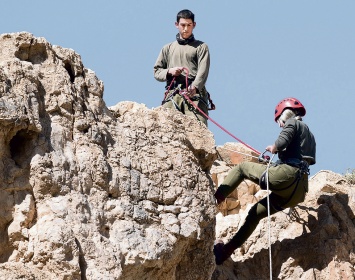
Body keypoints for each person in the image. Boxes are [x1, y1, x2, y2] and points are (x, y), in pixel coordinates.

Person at [213, 97, 316, 265]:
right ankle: (225, 252)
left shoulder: (293, 124)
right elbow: (299, 158)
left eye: (280, 122)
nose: (280, 126)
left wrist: (274, 147)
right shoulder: (309, 135)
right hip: (298, 190)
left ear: (285, 115)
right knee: (255, 214)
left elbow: (283, 141)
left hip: (286, 176)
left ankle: (214, 200)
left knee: (242, 168)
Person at [153, 9, 212, 126]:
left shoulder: (201, 47)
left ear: (194, 25)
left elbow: (203, 71)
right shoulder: (168, 48)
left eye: (189, 25)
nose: (186, 29)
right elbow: (157, 71)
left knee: (197, 127)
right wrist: (170, 71)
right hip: (173, 93)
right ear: (176, 25)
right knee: (164, 123)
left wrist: (195, 87)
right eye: (183, 25)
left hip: (194, 94)